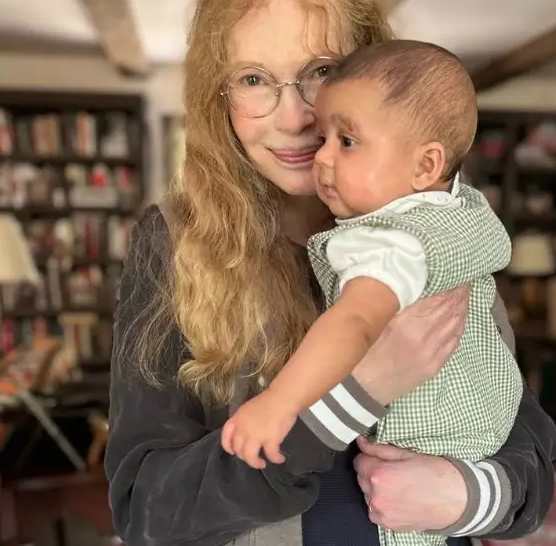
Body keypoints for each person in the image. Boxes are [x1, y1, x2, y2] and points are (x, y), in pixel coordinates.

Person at [104, 0, 556, 545]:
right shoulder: (172, 242)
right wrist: (350, 397)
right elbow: (143, 511)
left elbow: (530, 465)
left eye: (321, 71)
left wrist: (465, 495)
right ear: (219, 98)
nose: (296, 118)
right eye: (253, 80)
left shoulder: (441, 224)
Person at [221, 44, 525, 546]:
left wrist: (279, 402)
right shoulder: (461, 208)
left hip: (425, 435)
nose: (321, 156)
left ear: (425, 165)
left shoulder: (390, 243)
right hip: (487, 422)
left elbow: (355, 323)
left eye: (347, 141)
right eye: (324, 138)